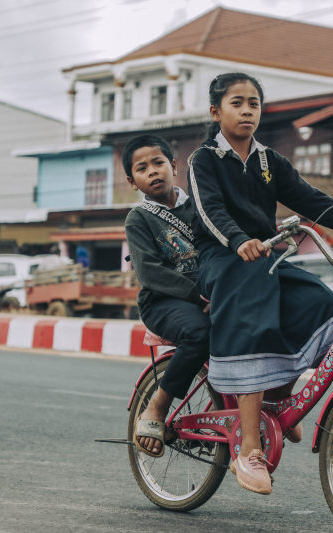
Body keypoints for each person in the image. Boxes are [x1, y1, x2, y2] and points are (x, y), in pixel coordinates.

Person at [187, 73, 333, 495]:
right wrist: (238, 240)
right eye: (237, 103)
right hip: (220, 258)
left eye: (254, 102)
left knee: (322, 305)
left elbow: (313, 200)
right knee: (253, 311)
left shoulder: (270, 162)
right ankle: (248, 447)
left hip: (262, 256)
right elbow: (208, 209)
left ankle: (277, 402)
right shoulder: (204, 159)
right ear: (216, 112)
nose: (247, 109)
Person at [123, 134, 210, 458]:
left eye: (158, 163)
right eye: (143, 168)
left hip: (212, 293)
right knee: (198, 332)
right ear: (133, 182)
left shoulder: (201, 205)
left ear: (173, 165)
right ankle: (158, 406)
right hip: (164, 301)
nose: (153, 172)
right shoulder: (139, 218)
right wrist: (200, 297)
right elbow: (150, 273)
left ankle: (270, 399)